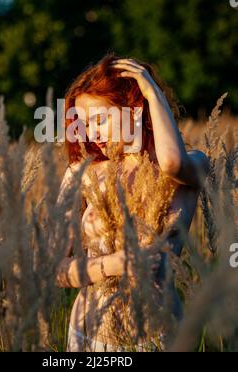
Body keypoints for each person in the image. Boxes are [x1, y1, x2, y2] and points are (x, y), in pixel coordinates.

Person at [55, 53, 210, 352]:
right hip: (88, 334)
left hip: (157, 336)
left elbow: (172, 162)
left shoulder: (191, 167)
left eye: (99, 120)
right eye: (84, 123)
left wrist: (151, 91)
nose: (90, 132)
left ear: (135, 111)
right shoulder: (80, 174)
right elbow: (58, 269)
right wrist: (114, 264)